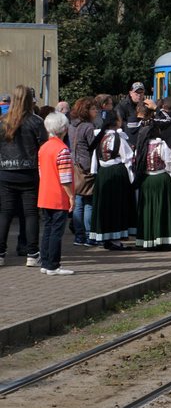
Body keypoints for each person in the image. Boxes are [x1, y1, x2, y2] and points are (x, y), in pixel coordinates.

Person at [0, 85, 46, 266]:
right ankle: (32, 253)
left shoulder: (3, 121)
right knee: (30, 214)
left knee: (5, 213)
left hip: (6, 172)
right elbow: (43, 147)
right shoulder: (36, 122)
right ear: (29, 100)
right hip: (29, 172)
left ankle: (0, 253)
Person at [89, 112, 136, 248]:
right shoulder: (118, 138)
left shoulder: (100, 137)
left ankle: (106, 237)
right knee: (116, 206)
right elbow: (128, 158)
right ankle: (115, 239)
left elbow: (94, 160)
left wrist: (95, 173)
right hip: (116, 174)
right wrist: (132, 178)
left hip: (102, 174)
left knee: (105, 206)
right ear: (116, 122)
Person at [36, 112, 74, 275]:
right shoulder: (62, 149)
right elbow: (65, 178)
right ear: (64, 128)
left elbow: (41, 172)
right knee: (56, 232)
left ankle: (45, 263)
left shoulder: (43, 148)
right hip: (58, 196)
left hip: (44, 194)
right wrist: (71, 196)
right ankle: (53, 265)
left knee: (47, 230)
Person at [135, 135, 171, 248]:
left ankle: (148, 240)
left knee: (148, 210)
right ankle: (164, 240)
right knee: (164, 209)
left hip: (146, 181)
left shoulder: (141, 147)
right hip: (161, 180)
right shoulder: (161, 145)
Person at [68, 97, 98, 246]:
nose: (96, 111)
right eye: (93, 109)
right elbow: (93, 146)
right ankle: (88, 235)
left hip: (74, 165)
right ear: (86, 111)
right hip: (86, 167)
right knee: (89, 203)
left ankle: (79, 236)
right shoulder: (88, 127)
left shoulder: (71, 126)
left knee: (78, 201)